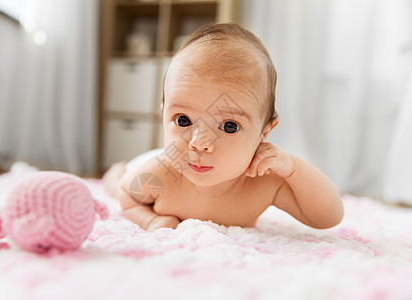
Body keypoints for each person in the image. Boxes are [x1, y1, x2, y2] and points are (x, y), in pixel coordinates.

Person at [103, 23, 344, 232]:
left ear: (265, 132)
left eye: (229, 126)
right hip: (152, 160)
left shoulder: (264, 182)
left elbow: (327, 218)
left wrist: (293, 169)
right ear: (163, 113)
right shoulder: (161, 174)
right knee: (117, 186)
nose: (198, 142)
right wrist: (150, 221)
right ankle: (116, 172)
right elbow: (128, 197)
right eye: (183, 120)